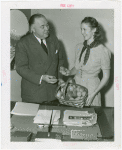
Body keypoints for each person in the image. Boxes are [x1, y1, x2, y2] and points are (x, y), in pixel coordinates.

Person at [61, 17, 111, 106]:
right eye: (81, 29)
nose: (82, 32)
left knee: (89, 117)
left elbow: (106, 77)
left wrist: (93, 94)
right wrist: (69, 72)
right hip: (76, 88)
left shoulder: (103, 51)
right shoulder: (79, 47)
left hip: (92, 89)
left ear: (94, 30)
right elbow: (76, 68)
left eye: (85, 29)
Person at [15, 14, 64, 104]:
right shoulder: (23, 44)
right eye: (42, 26)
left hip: (53, 94)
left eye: (47, 25)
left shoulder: (54, 40)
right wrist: (41, 78)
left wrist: (60, 79)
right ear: (33, 29)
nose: (47, 28)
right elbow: (21, 68)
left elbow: (60, 61)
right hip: (33, 95)